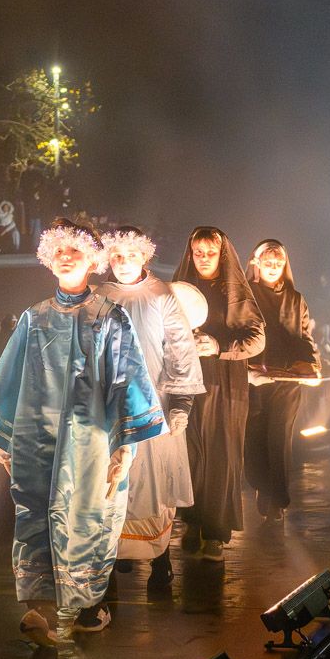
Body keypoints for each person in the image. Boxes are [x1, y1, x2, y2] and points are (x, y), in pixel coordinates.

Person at [0, 220, 164, 644]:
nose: (65, 256)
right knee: (36, 515)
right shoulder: (34, 317)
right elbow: (7, 378)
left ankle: (86, 607)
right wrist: (2, 438)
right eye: (58, 249)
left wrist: (125, 449)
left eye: (74, 250)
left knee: (87, 516)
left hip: (90, 441)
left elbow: (128, 380)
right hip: (35, 437)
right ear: (47, 258)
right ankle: (38, 613)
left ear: (92, 260)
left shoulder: (109, 317)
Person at [98, 227, 202, 589]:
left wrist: (181, 403)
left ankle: (161, 559)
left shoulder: (161, 294)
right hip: (112, 407)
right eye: (117, 256)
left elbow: (180, 350)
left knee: (154, 484)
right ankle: (110, 564)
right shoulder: (100, 296)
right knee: (113, 484)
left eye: (131, 254)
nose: (124, 262)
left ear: (145, 255)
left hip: (155, 404)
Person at [172, 227, 264, 560]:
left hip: (225, 383)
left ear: (222, 255)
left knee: (222, 455)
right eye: (199, 252)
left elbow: (256, 338)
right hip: (186, 382)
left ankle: (215, 531)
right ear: (190, 253)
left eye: (211, 253)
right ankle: (192, 521)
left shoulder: (236, 291)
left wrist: (220, 346)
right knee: (190, 452)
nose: (205, 259)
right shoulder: (180, 288)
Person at [244, 239, 318, 522]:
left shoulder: (296, 298)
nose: (273, 268)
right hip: (254, 378)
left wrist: (310, 366)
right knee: (253, 436)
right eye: (268, 262)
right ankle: (262, 486)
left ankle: (279, 498)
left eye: (278, 263)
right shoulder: (246, 295)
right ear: (256, 263)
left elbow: (303, 336)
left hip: (287, 381)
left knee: (280, 438)